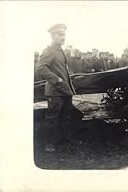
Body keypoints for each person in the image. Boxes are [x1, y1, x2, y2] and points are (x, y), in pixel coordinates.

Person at [37, 24, 81, 152]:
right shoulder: (49, 50)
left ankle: (65, 139)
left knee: (66, 116)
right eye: (60, 35)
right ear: (52, 36)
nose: (63, 37)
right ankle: (49, 143)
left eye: (64, 35)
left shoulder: (60, 51)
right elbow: (41, 69)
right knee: (53, 118)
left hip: (65, 90)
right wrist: (57, 79)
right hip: (55, 91)